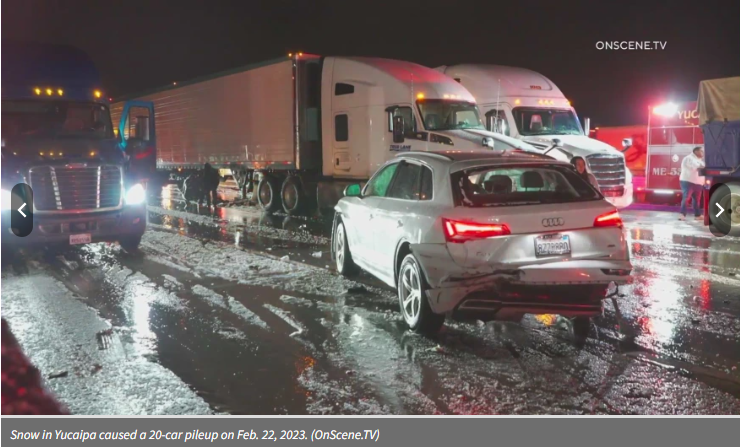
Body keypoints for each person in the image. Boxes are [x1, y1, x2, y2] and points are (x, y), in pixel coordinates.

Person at [679, 146, 705, 221]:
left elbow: (702, 167)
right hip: (688, 181)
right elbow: (695, 167)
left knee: (697, 200)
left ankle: (697, 215)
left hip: (698, 183)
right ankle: (682, 214)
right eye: (701, 151)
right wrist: (702, 167)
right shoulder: (689, 158)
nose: (703, 153)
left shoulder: (700, 160)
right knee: (686, 198)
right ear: (696, 151)